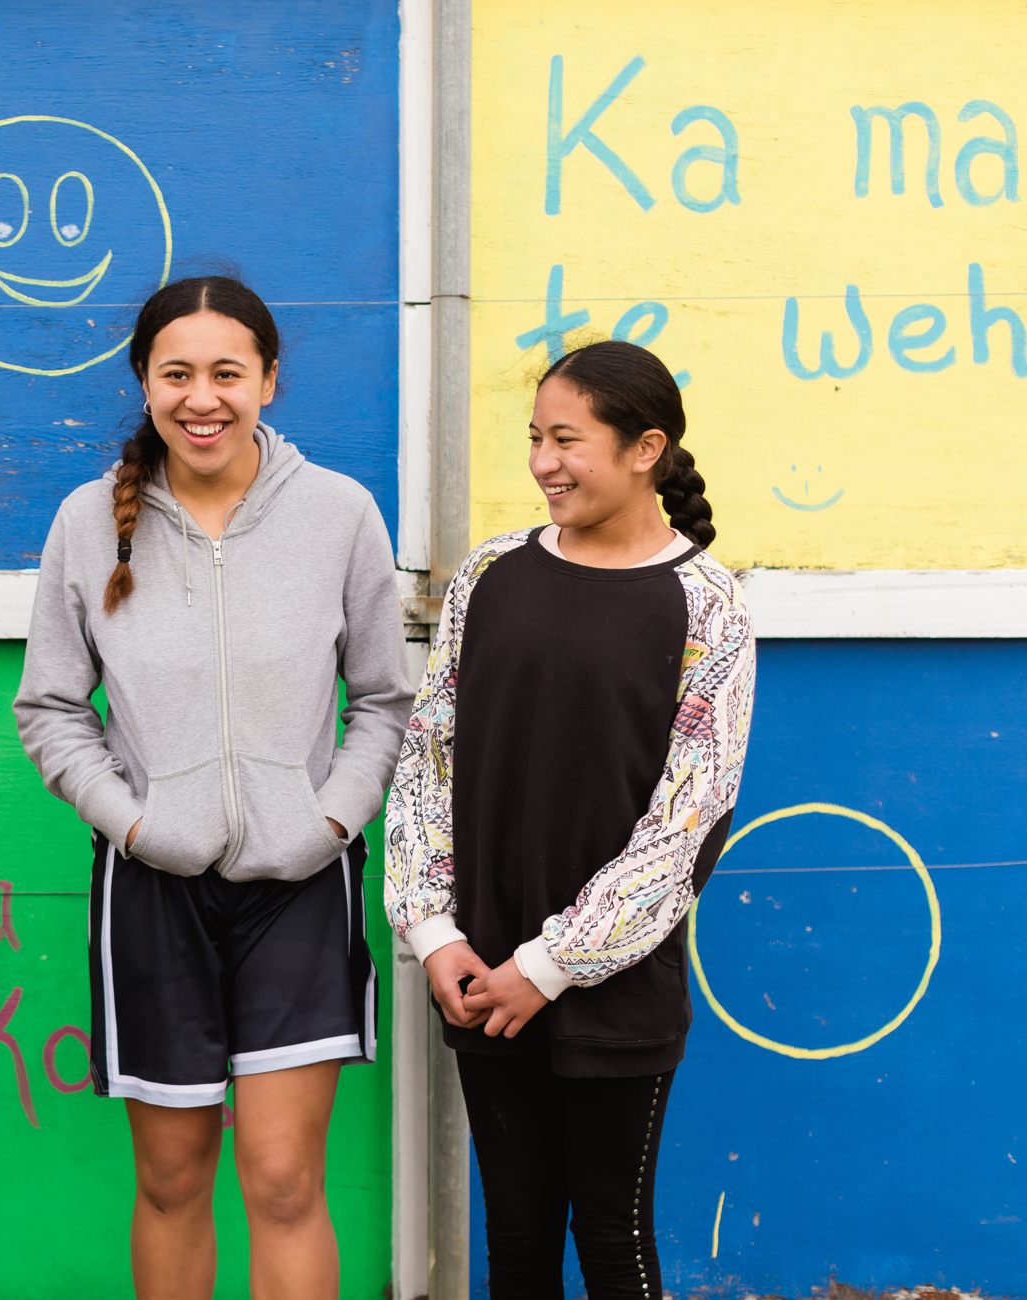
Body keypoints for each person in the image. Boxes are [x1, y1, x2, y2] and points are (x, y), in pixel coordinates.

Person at [13, 275, 413, 1300]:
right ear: (143, 382)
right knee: (172, 1176)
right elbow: (50, 708)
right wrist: (133, 821)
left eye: (227, 372)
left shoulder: (336, 514)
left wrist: (329, 815)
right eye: (175, 372)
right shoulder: (84, 521)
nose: (203, 397)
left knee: (282, 1179)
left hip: (299, 883)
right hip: (152, 887)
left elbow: (382, 698)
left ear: (268, 381)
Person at [385, 339, 757, 1300]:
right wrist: (433, 933)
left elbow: (685, 826)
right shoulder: (490, 576)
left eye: (566, 439)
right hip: (479, 976)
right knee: (513, 1245)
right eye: (533, 439)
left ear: (645, 449)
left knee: (611, 1242)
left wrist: (549, 966)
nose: (543, 461)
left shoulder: (706, 604)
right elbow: (427, 760)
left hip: (612, 990)